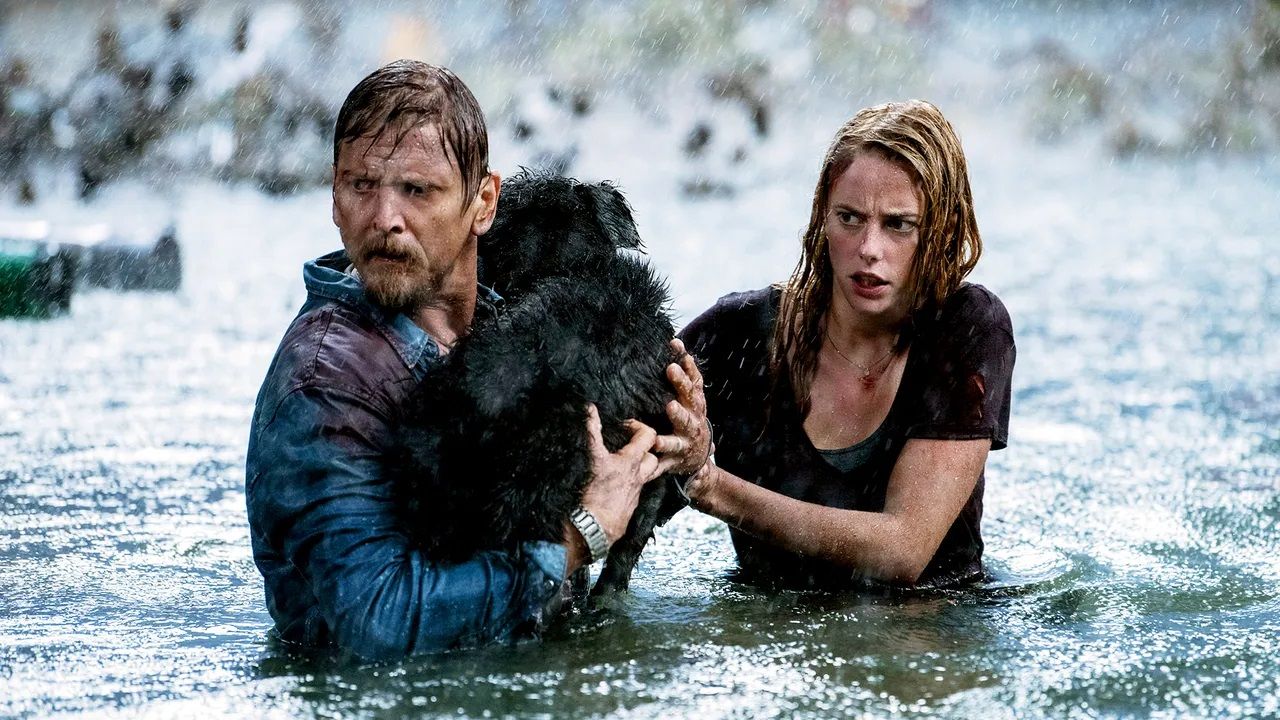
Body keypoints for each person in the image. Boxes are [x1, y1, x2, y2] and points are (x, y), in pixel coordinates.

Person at [244, 61, 709, 660]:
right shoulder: (325, 381)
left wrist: (680, 457)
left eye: (417, 190)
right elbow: (374, 623)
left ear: (484, 202)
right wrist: (577, 539)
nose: (385, 219)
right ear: (334, 196)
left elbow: (609, 494)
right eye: (362, 186)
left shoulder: (512, 323)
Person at [673, 100, 1015, 589]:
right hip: (764, 623)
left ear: (941, 231)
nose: (869, 249)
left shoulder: (967, 330)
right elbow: (614, 446)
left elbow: (902, 551)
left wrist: (711, 487)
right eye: (849, 218)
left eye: (898, 224)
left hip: (930, 622)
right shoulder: (739, 336)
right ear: (822, 218)